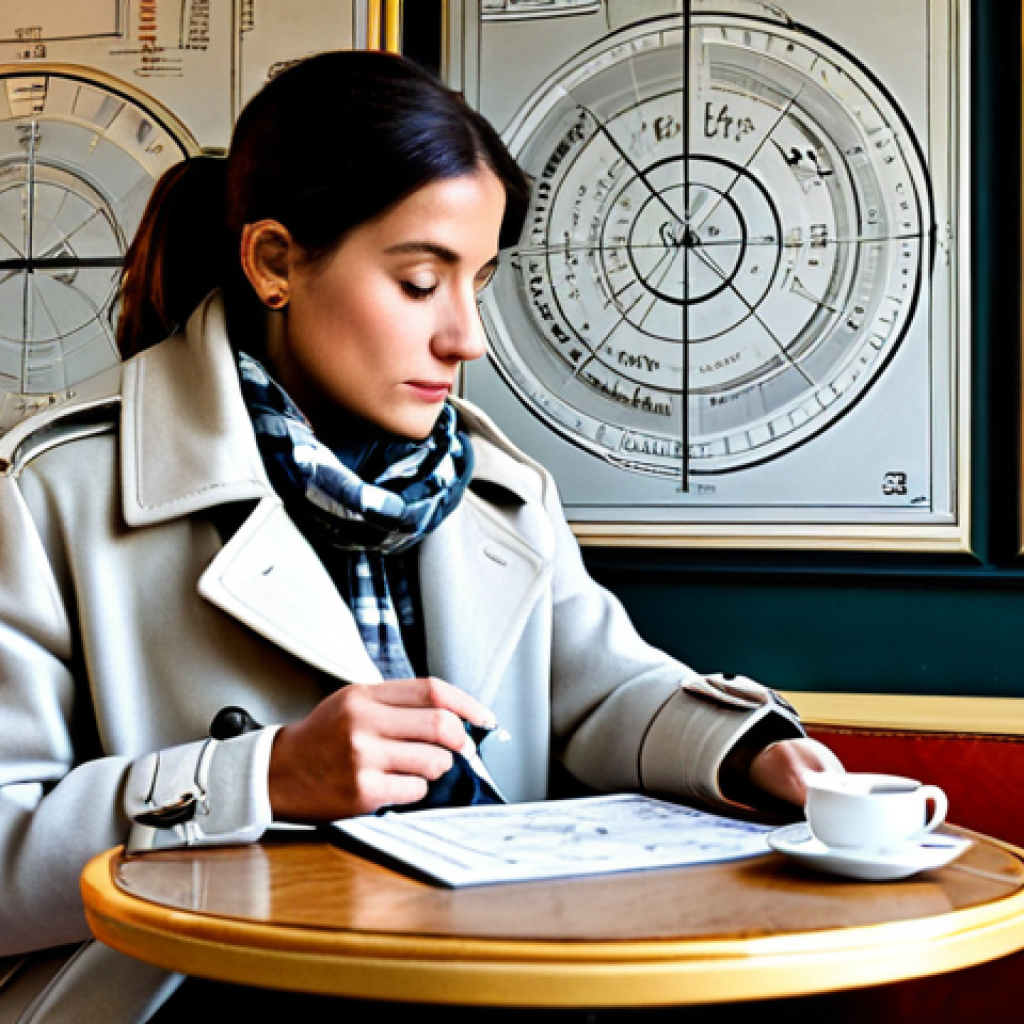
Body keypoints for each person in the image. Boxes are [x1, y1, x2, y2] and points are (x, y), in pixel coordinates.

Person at [0, 50, 841, 1023]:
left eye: (475, 279)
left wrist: (746, 755)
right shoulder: (49, 491)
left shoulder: (498, 486)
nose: (465, 335)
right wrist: (264, 775)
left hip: (476, 978)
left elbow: (600, 690)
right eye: (417, 281)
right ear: (274, 262)